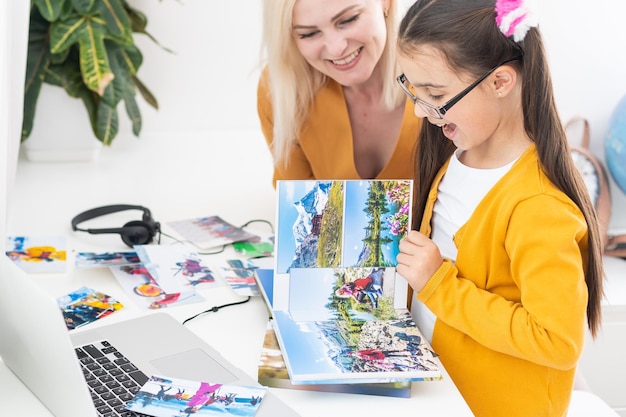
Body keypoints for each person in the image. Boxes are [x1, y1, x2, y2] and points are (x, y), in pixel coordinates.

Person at [394, 1, 604, 416]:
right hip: (439, 396)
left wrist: (438, 283)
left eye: (434, 94)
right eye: (412, 89)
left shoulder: (539, 205)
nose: (419, 109)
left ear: (500, 82)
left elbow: (557, 341)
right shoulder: (459, 154)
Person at [257, 0, 421, 185]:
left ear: (386, 3)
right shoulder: (281, 90)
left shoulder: (444, 70)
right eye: (308, 34)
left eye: (349, 19)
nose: (336, 48)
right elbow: (299, 203)